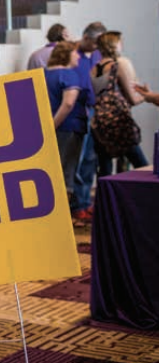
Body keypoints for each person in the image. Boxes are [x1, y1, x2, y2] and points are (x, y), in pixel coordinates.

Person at [43, 41, 91, 226]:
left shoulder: (44, 74)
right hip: (68, 127)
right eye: (75, 53)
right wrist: (52, 125)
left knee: (54, 171)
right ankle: (64, 218)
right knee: (66, 172)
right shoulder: (69, 74)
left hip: (51, 128)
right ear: (66, 55)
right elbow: (68, 104)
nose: (78, 56)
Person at [91, 30, 149, 175]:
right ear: (114, 44)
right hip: (119, 122)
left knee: (105, 169)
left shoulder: (94, 69)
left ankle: (106, 198)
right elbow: (133, 99)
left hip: (100, 122)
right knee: (142, 165)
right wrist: (147, 95)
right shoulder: (120, 64)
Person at [71, 22, 106, 222]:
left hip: (95, 110)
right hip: (77, 112)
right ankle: (77, 204)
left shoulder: (98, 55)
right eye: (94, 43)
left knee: (91, 159)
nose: (96, 47)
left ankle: (85, 202)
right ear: (85, 38)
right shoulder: (72, 53)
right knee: (78, 159)